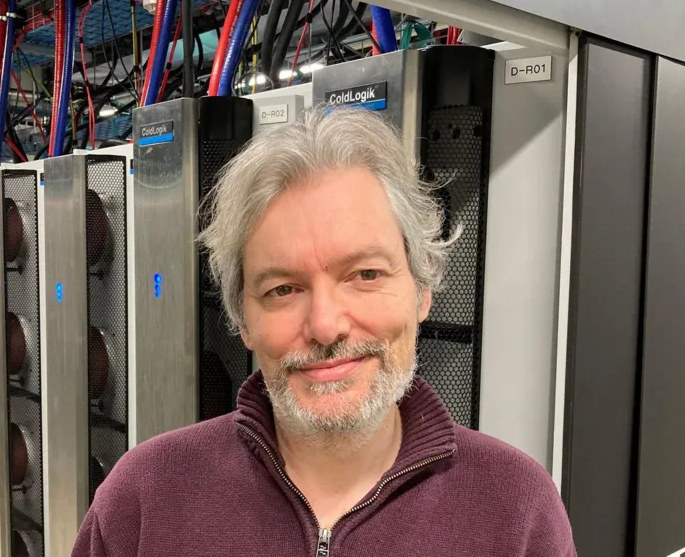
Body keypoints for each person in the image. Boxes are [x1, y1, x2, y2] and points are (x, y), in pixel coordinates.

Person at [72, 107, 576, 556]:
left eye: (366, 275)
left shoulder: (515, 511)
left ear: (421, 290)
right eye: (283, 289)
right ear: (242, 320)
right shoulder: (145, 499)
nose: (325, 325)